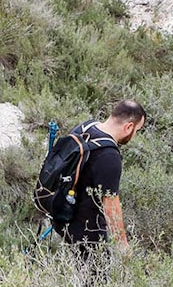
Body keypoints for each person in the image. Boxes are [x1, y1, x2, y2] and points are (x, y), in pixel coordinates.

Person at [61, 99, 148, 250]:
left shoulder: (85, 126)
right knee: (97, 273)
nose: (134, 136)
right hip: (86, 232)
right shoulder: (109, 156)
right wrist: (122, 246)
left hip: (62, 213)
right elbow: (111, 205)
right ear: (129, 127)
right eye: (137, 130)